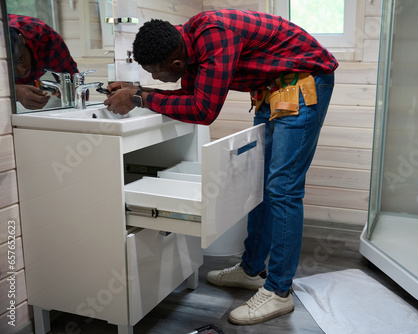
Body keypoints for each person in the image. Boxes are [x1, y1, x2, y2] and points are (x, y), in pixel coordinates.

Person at [104, 9, 338, 325]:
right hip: (273, 88)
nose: (155, 79)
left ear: (175, 64)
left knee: (283, 189)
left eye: (155, 73)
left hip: (304, 81)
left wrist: (141, 97)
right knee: (262, 185)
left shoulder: (214, 35)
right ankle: (253, 269)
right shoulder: (184, 45)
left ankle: (279, 292)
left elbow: (202, 109)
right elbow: (189, 96)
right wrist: (137, 94)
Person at [8, 14, 79, 109]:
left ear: (22, 40)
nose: (22, 71)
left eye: (22, 59)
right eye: (10, 67)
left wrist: (71, 91)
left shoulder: (45, 38)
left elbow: (72, 78)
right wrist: (13, 91)